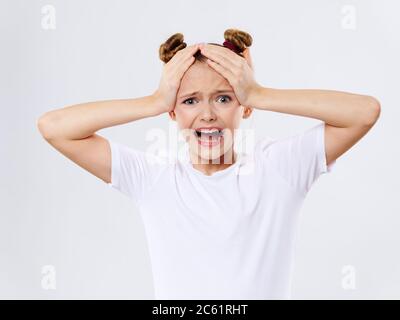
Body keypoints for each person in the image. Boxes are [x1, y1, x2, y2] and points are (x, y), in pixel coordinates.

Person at [37, 28, 381, 299]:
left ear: (243, 106)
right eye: (189, 100)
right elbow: (54, 128)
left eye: (224, 97)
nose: (207, 114)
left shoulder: (278, 169)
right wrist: (154, 100)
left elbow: (364, 113)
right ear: (173, 111)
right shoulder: (154, 179)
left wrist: (260, 93)